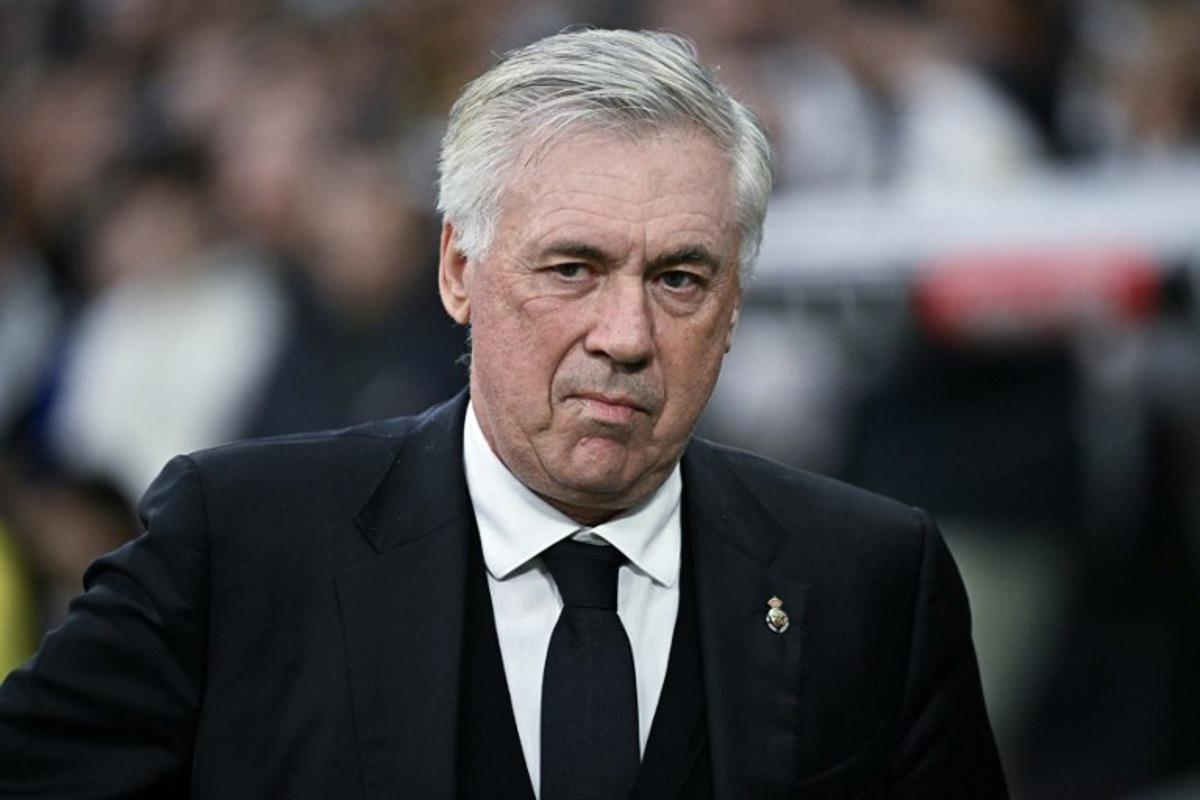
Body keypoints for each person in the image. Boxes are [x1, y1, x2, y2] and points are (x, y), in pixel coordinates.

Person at [0, 29, 1007, 799]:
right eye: (573, 268)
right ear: (457, 271)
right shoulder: (240, 539)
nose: (626, 331)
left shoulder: (872, 579)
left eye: (681, 277)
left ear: (735, 305)